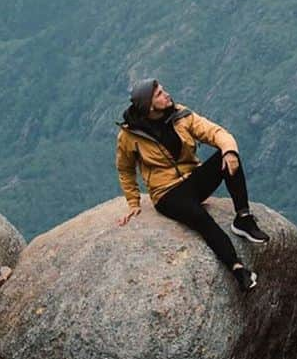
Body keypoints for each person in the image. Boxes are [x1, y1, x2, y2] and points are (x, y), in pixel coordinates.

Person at [115, 76, 269, 293]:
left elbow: (216, 133)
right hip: (167, 193)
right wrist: (133, 202)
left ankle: (243, 218)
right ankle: (237, 268)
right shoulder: (130, 134)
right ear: (148, 106)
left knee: (227, 157)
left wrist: (230, 151)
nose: (166, 93)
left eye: (163, 89)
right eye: (159, 93)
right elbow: (125, 169)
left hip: (192, 179)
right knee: (200, 218)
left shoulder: (180, 115)